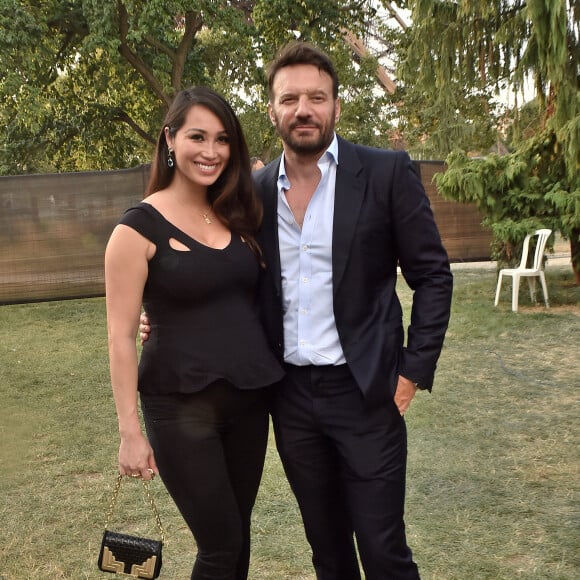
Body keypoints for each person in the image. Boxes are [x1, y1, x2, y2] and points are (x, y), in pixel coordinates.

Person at [142, 42, 453, 579]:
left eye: (316, 97)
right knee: (327, 550)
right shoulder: (251, 194)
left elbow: (432, 277)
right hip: (288, 399)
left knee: (383, 551)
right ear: (273, 110)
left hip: (366, 394)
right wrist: (161, 316)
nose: (303, 109)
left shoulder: (385, 173)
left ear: (336, 105)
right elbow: (217, 271)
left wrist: (411, 372)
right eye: (290, 99)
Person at [105, 86, 283, 580]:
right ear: (170, 139)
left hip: (249, 400)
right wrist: (129, 434)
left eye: (222, 139)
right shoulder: (136, 229)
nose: (211, 151)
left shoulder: (238, 214)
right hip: (179, 406)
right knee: (220, 545)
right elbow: (120, 337)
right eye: (198, 137)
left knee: (238, 535)